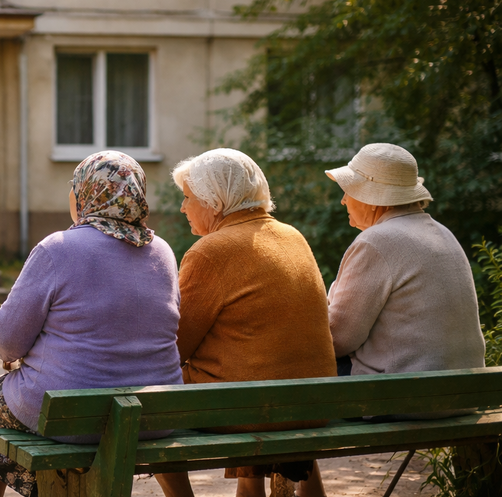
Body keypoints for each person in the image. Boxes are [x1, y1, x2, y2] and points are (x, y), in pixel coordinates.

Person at [0, 151, 184, 497]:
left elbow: (7, 344)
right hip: (153, 415)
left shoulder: (58, 248)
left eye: (74, 187)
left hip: (69, 418)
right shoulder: (162, 252)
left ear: (86, 193)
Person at [156, 149, 336, 497]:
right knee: (243, 372)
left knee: (141, 394)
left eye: (188, 198)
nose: (182, 208)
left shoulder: (211, 251)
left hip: (254, 409)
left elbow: (173, 348)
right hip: (315, 403)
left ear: (215, 203)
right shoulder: (292, 236)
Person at [325, 143, 485, 383]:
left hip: (408, 396)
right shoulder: (443, 233)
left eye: (350, 190)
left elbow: (336, 340)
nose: (344, 200)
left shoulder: (375, 241)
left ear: (374, 199)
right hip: (465, 392)